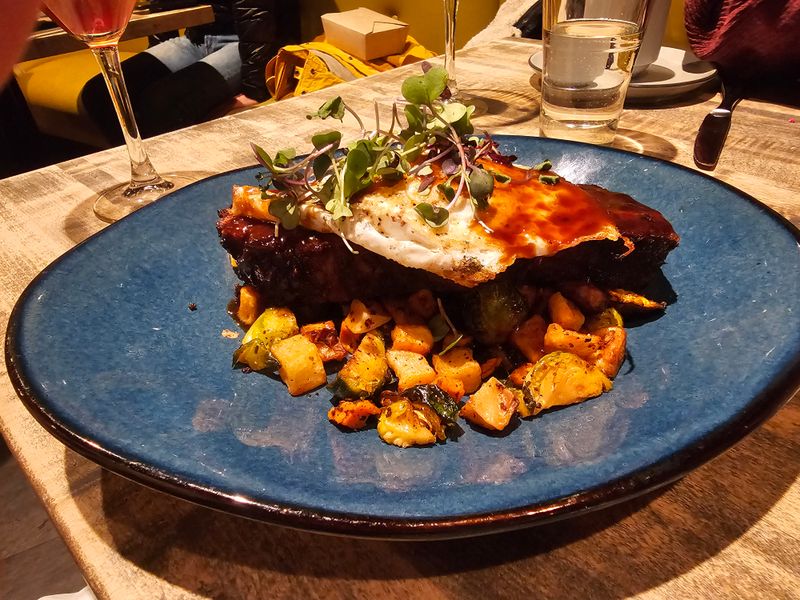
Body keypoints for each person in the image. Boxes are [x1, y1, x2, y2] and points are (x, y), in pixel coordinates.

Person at [80, 0, 300, 144]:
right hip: (196, 38)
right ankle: (136, 172)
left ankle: (169, 181)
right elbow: (163, 4)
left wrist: (254, 88)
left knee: (161, 102)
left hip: (252, 41)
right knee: (99, 93)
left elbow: (256, 14)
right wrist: (159, 48)